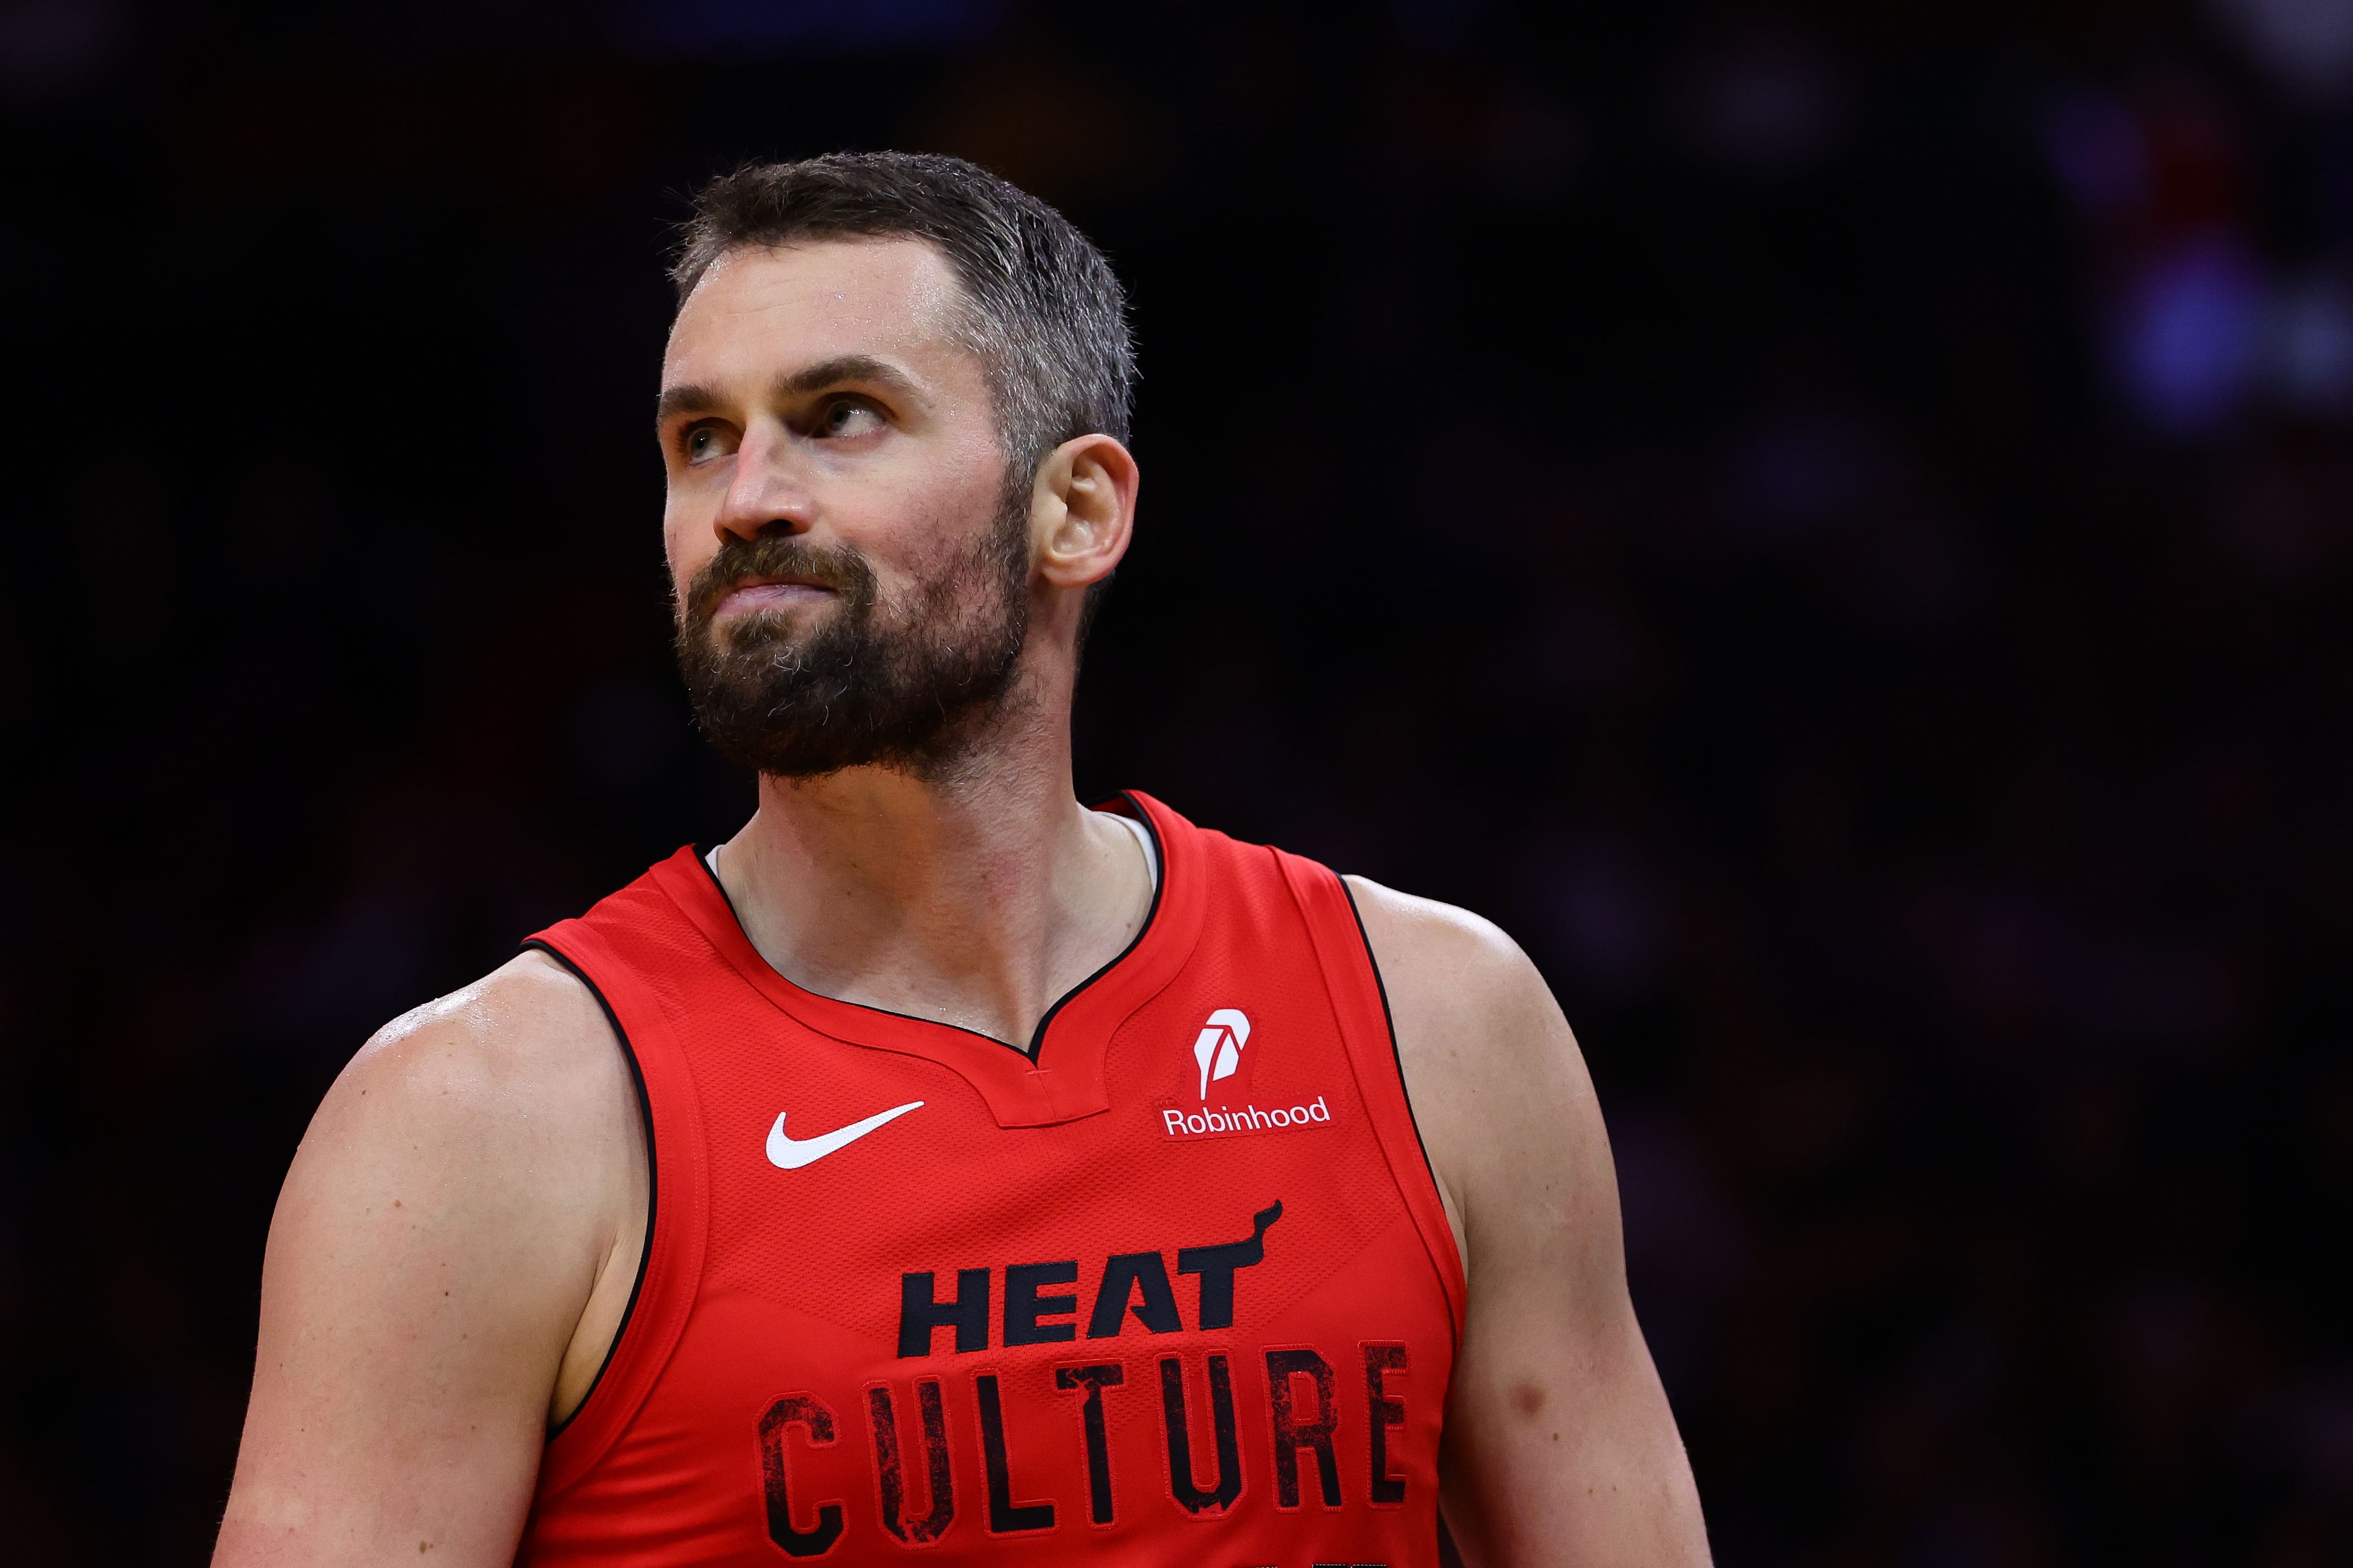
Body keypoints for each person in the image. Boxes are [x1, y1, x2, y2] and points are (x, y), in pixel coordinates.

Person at [211, 152, 1712, 1568]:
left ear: (1077, 510)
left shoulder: (1440, 1023)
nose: (746, 503)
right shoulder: (473, 1127)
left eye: (842, 413)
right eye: (700, 439)